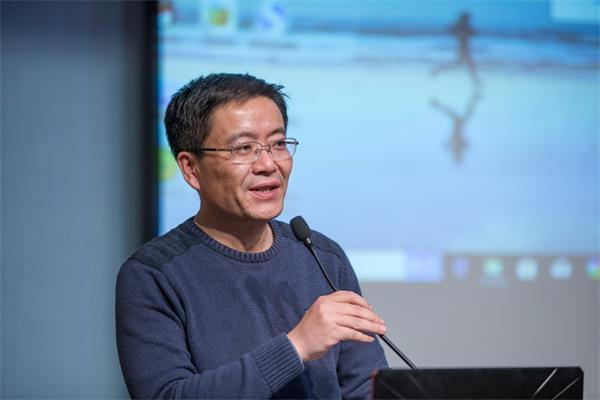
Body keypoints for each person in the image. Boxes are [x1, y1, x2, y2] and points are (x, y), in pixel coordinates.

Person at [116, 73, 388, 399]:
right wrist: (296, 346)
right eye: (244, 148)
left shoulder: (322, 256)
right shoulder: (152, 275)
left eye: (278, 144)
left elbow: (365, 388)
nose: (268, 164)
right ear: (190, 169)